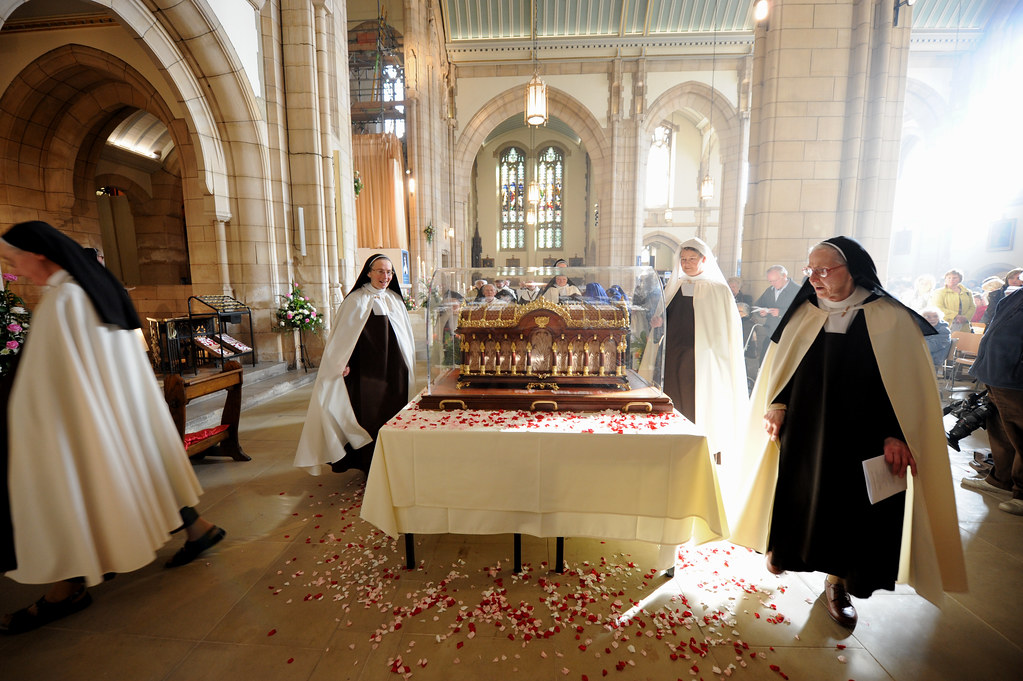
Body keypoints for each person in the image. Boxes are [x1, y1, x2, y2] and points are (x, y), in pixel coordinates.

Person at [0, 221, 224, 635]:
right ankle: (198, 530)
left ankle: (66, 588)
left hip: (88, 418)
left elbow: (53, 381)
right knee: (143, 474)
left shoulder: (65, 299)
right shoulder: (93, 288)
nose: (13, 270)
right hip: (125, 410)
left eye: (14, 260)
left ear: (39, 255)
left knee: (73, 491)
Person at [730, 237, 966, 629]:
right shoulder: (805, 311)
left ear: (853, 269)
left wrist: (897, 433)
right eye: (810, 270)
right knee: (801, 492)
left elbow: (906, 386)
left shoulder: (890, 316)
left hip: (866, 432)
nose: (814, 279)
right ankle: (786, 551)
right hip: (806, 428)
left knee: (850, 509)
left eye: (824, 270)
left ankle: (837, 583)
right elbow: (784, 366)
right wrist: (777, 403)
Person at [294, 254, 415, 475]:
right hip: (366, 370)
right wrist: (343, 361)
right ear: (368, 273)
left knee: (393, 412)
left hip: (394, 369)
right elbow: (343, 338)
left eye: (389, 272)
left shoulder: (395, 300)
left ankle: (394, 459)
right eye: (380, 271)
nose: (385, 276)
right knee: (369, 415)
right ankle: (369, 464)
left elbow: (405, 337)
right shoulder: (356, 300)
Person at [649, 237, 747, 463]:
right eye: (683, 259)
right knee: (674, 397)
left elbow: (727, 330)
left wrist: (713, 351)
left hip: (705, 359)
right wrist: (658, 322)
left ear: (704, 260)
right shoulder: (675, 286)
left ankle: (705, 449)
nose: (687, 263)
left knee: (703, 400)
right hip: (674, 354)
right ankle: (674, 446)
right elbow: (664, 318)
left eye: (692, 259)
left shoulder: (718, 290)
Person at [963, 286, 1023, 515]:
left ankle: (1022, 492)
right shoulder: (1017, 294)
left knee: (1020, 435)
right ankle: (1001, 480)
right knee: (1000, 432)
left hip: (1015, 377)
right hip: (995, 373)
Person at [752, 265, 799, 344]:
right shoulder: (769, 290)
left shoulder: (797, 290)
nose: (772, 284)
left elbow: (803, 314)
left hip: (789, 336)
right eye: (770, 281)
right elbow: (757, 306)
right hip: (770, 334)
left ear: (784, 276)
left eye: (775, 281)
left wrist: (780, 313)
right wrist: (761, 313)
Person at [930, 268, 975, 332]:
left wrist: (965, 318)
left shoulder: (967, 292)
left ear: (960, 279)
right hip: (945, 324)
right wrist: (955, 316)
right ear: (945, 279)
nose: (951, 280)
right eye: (949, 278)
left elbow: (972, 307)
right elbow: (938, 307)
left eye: (954, 278)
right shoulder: (939, 292)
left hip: (964, 325)